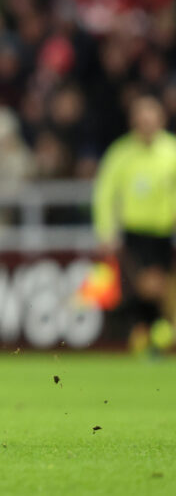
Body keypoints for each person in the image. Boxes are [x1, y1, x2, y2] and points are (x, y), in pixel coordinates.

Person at [93, 95, 176, 354]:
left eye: (151, 117)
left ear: (161, 120)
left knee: (157, 289)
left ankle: (146, 334)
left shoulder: (171, 151)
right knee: (150, 284)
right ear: (133, 122)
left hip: (166, 233)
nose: (146, 123)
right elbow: (104, 194)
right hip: (135, 233)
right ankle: (157, 332)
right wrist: (106, 230)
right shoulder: (121, 153)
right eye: (141, 118)